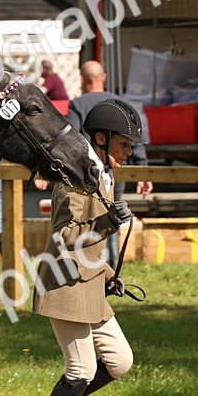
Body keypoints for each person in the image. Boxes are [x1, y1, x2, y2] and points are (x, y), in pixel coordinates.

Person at [26, 99, 142, 396]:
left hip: (89, 284)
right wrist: (107, 224)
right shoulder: (75, 179)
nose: (128, 153)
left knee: (119, 361)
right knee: (81, 369)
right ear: (101, 139)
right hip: (65, 286)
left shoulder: (101, 175)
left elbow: (90, 247)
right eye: (124, 145)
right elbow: (64, 238)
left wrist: (109, 275)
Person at [65, 60, 152, 265]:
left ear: (82, 80)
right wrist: (144, 172)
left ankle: (100, 266)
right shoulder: (120, 105)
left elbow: (71, 139)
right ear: (103, 77)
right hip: (113, 172)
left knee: (90, 217)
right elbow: (136, 145)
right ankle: (112, 265)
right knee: (114, 213)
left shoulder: (77, 104)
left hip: (85, 173)